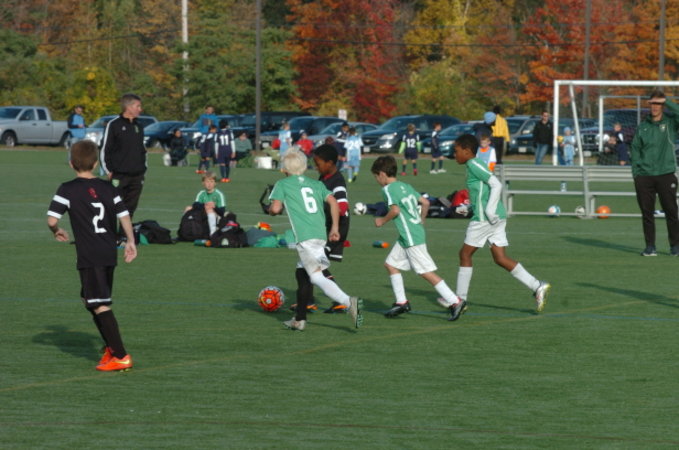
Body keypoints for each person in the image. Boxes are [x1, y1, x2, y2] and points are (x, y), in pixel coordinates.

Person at [47, 140, 137, 371]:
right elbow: (124, 215)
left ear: (71, 163)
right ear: (96, 163)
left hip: (90, 254)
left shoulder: (67, 189)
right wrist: (130, 241)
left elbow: (52, 219)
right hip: (108, 252)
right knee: (90, 299)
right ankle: (111, 348)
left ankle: (120, 355)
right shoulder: (109, 188)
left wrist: (56, 230)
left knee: (99, 303)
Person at [453, 134, 551, 312]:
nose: (454, 155)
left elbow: (496, 184)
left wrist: (489, 211)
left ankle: (460, 300)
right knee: (500, 258)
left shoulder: (473, 164)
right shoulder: (473, 164)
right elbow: (483, 193)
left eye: (456, 151)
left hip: (485, 219)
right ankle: (537, 286)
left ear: (467, 151)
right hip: (496, 217)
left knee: (464, 254)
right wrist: (469, 207)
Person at [268, 149, 363, 331]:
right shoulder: (316, 184)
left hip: (305, 237)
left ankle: (349, 302)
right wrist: (334, 228)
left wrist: (271, 209)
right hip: (320, 234)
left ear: (284, 169)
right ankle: (299, 319)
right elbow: (334, 202)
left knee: (316, 276)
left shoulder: (282, 184)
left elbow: (275, 209)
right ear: (304, 167)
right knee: (301, 275)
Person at [370, 155, 466, 321]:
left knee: (425, 272)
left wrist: (381, 221)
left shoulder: (387, 190)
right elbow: (425, 202)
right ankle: (401, 302)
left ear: (382, 174)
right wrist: (421, 220)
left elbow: (395, 211)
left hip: (410, 237)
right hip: (411, 234)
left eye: (376, 177)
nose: (377, 180)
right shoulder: (405, 185)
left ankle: (455, 301)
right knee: (391, 264)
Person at [289, 144, 352, 314]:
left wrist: (331, 224)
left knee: (309, 266)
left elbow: (342, 206)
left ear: (330, 163)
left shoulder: (337, 181)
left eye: (318, 164)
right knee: (316, 265)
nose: (316, 167)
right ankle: (327, 301)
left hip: (334, 231)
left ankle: (312, 303)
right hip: (324, 230)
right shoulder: (323, 178)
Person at [630, 90, 679, 256]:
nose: (655, 107)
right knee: (647, 213)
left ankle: (675, 246)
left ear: (662, 105)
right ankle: (650, 247)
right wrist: (636, 173)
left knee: (671, 211)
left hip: (666, 174)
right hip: (644, 176)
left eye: (658, 103)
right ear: (649, 105)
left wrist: (667, 101)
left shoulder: (671, 123)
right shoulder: (643, 126)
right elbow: (635, 149)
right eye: (653, 103)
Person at [100, 93, 147, 241]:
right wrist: (108, 171)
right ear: (128, 107)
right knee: (112, 206)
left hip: (137, 175)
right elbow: (105, 149)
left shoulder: (139, 125)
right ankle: (108, 236)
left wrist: (144, 169)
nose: (140, 109)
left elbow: (142, 150)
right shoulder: (114, 124)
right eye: (138, 106)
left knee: (130, 208)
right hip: (118, 175)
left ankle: (123, 237)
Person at [185, 171, 226, 235]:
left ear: (215, 183)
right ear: (203, 183)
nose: (209, 184)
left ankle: (213, 234)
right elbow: (195, 205)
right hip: (203, 215)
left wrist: (214, 207)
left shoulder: (219, 194)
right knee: (188, 208)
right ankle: (185, 231)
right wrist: (205, 205)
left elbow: (222, 211)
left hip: (216, 217)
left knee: (210, 209)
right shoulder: (201, 193)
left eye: (211, 181)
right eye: (207, 181)